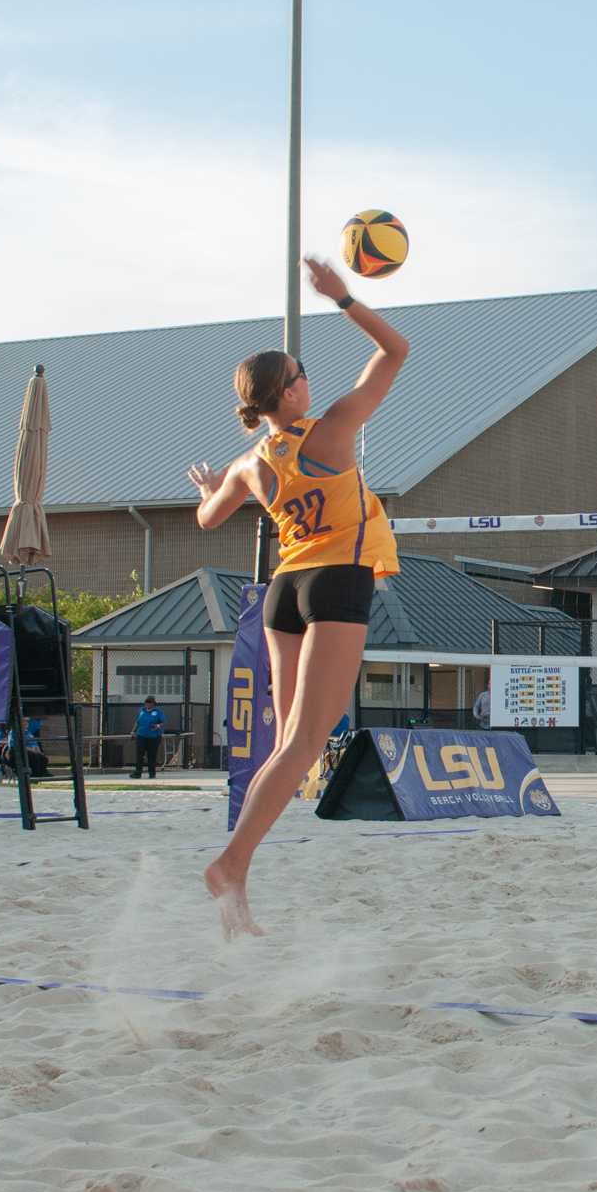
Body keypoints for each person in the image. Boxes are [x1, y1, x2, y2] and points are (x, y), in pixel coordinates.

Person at [192, 258, 410, 936]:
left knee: (285, 750)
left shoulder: (250, 464)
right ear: (285, 396)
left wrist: (209, 492)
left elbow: (208, 520)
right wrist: (342, 295)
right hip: (334, 583)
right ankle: (229, 862)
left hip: (283, 591)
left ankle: (238, 892)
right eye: (300, 375)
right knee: (303, 746)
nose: (309, 382)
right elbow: (396, 350)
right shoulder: (333, 430)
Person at [131, 697, 166, 779]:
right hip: (141, 736)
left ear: (153, 703)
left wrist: (157, 726)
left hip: (153, 737)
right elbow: (137, 722)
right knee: (139, 755)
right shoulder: (142, 711)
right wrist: (133, 731)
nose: (147, 704)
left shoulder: (158, 712)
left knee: (152, 755)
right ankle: (138, 773)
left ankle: (152, 773)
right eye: (146, 702)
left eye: (149, 702)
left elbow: (163, 722)